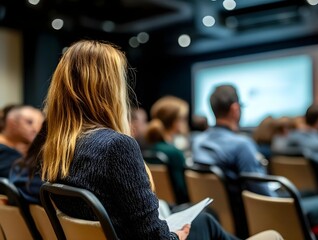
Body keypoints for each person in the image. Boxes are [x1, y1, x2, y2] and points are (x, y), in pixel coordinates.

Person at [41, 40, 249, 240]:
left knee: (205, 220)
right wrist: (175, 236)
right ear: (109, 89)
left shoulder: (57, 150)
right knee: (212, 223)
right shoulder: (116, 146)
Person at [192, 84, 318, 236]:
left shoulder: (199, 142)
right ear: (235, 109)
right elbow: (263, 195)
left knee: (306, 194)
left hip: (221, 222)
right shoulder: (242, 145)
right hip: (258, 220)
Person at [145, 95, 190, 204]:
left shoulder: (150, 149)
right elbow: (184, 192)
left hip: (160, 207)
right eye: (184, 119)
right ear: (175, 123)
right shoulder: (174, 153)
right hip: (179, 209)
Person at [0, 104, 44, 177]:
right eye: (29, 122)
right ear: (12, 122)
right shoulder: (5, 153)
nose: (36, 128)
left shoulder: (15, 151)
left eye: (41, 124)